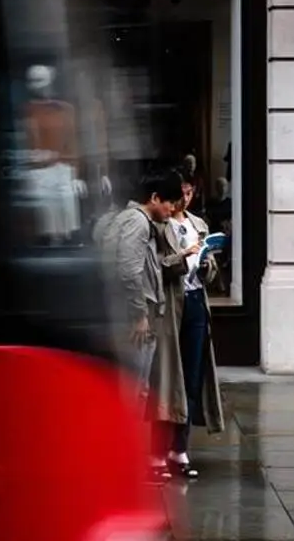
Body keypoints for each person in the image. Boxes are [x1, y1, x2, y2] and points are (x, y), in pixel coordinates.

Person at [97, 169, 184, 481]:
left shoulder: (124, 219)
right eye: (170, 203)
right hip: (136, 316)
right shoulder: (138, 222)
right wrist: (139, 314)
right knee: (135, 390)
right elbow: (129, 270)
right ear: (155, 198)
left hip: (127, 313)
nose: (173, 210)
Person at [151, 171, 225, 480]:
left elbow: (210, 275)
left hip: (196, 303)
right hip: (171, 305)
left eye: (191, 190)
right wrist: (183, 256)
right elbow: (155, 268)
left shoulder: (198, 225)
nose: (186, 196)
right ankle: (156, 451)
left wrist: (207, 263)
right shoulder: (159, 225)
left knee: (192, 376)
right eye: (182, 191)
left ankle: (179, 449)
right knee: (168, 378)